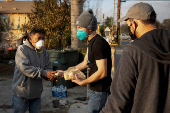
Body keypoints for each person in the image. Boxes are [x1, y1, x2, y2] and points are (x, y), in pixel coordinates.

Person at [100, 2, 170, 113]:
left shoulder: (133, 50)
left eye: (129, 26)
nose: (130, 30)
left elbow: (118, 101)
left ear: (135, 23)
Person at [12, 27, 63, 113]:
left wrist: (51, 75)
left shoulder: (44, 52)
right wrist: (45, 73)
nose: (41, 41)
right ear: (30, 39)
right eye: (38, 38)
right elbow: (25, 68)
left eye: (43, 38)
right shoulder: (22, 49)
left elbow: (48, 68)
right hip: (21, 94)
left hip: (36, 95)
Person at [71, 9, 112, 113]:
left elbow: (102, 72)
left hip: (100, 91)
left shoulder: (98, 44)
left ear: (89, 28)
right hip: (94, 89)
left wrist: (83, 82)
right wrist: (68, 71)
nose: (78, 30)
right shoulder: (91, 42)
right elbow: (85, 63)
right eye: (77, 27)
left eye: (80, 27)